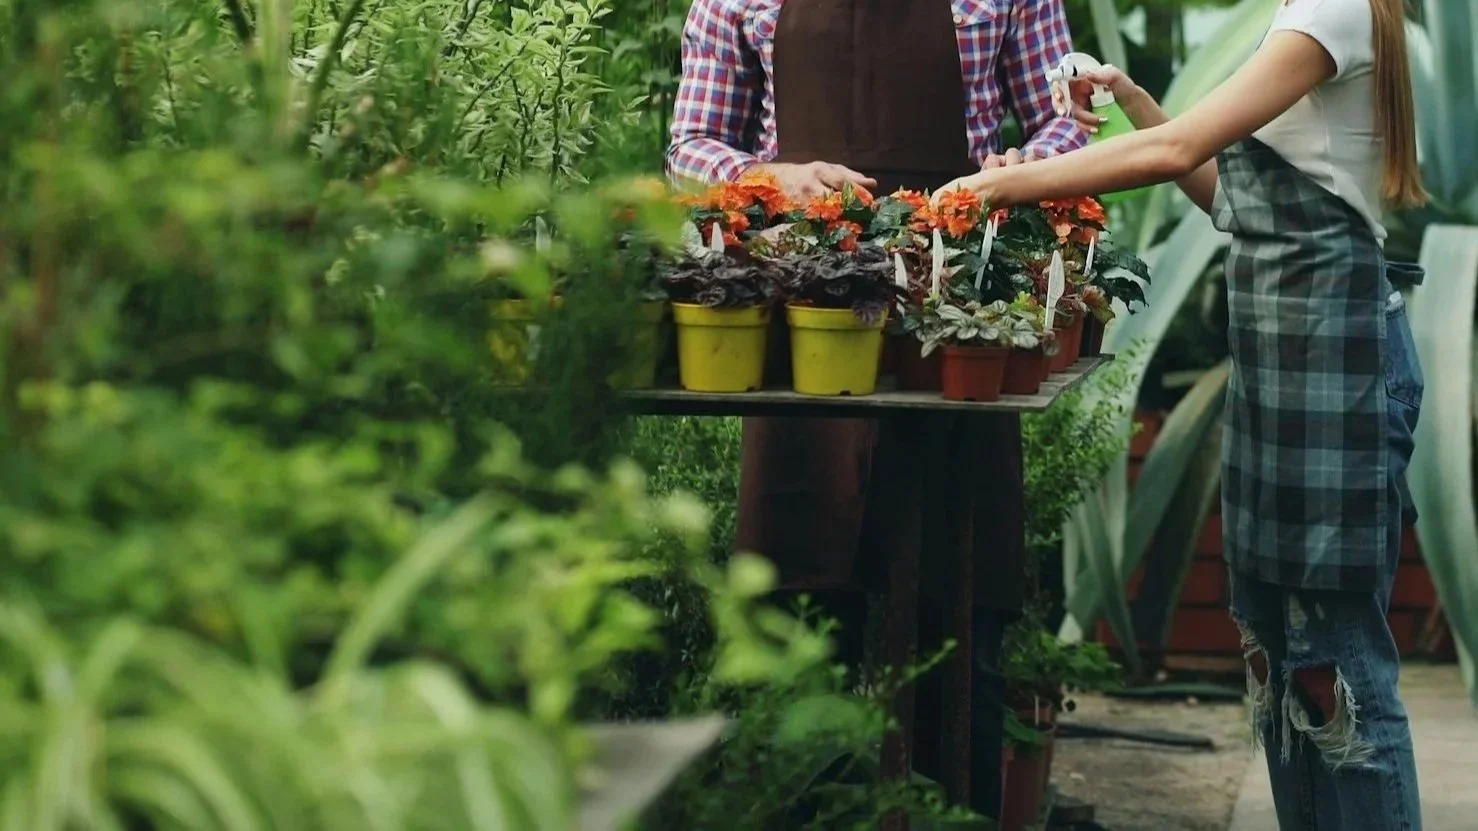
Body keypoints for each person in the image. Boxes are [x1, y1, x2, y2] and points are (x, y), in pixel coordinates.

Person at [937, 0, 1426, 827]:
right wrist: (1130, 93)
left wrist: (998, 184)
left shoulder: (1333, 10)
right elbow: (1225, 198)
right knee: (1282, 655)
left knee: (1336, 665)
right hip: (1287, 371)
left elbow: (1179, 147)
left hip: (1338, 368)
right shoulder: (1305, 15)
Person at [665, 0, 1088, 818]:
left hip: (959, 321)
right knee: (794, 621)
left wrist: (1009, 175)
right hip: (806, 328)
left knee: (958, 620)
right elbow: (689, 148)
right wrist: (771, 176)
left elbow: (1063, 122)